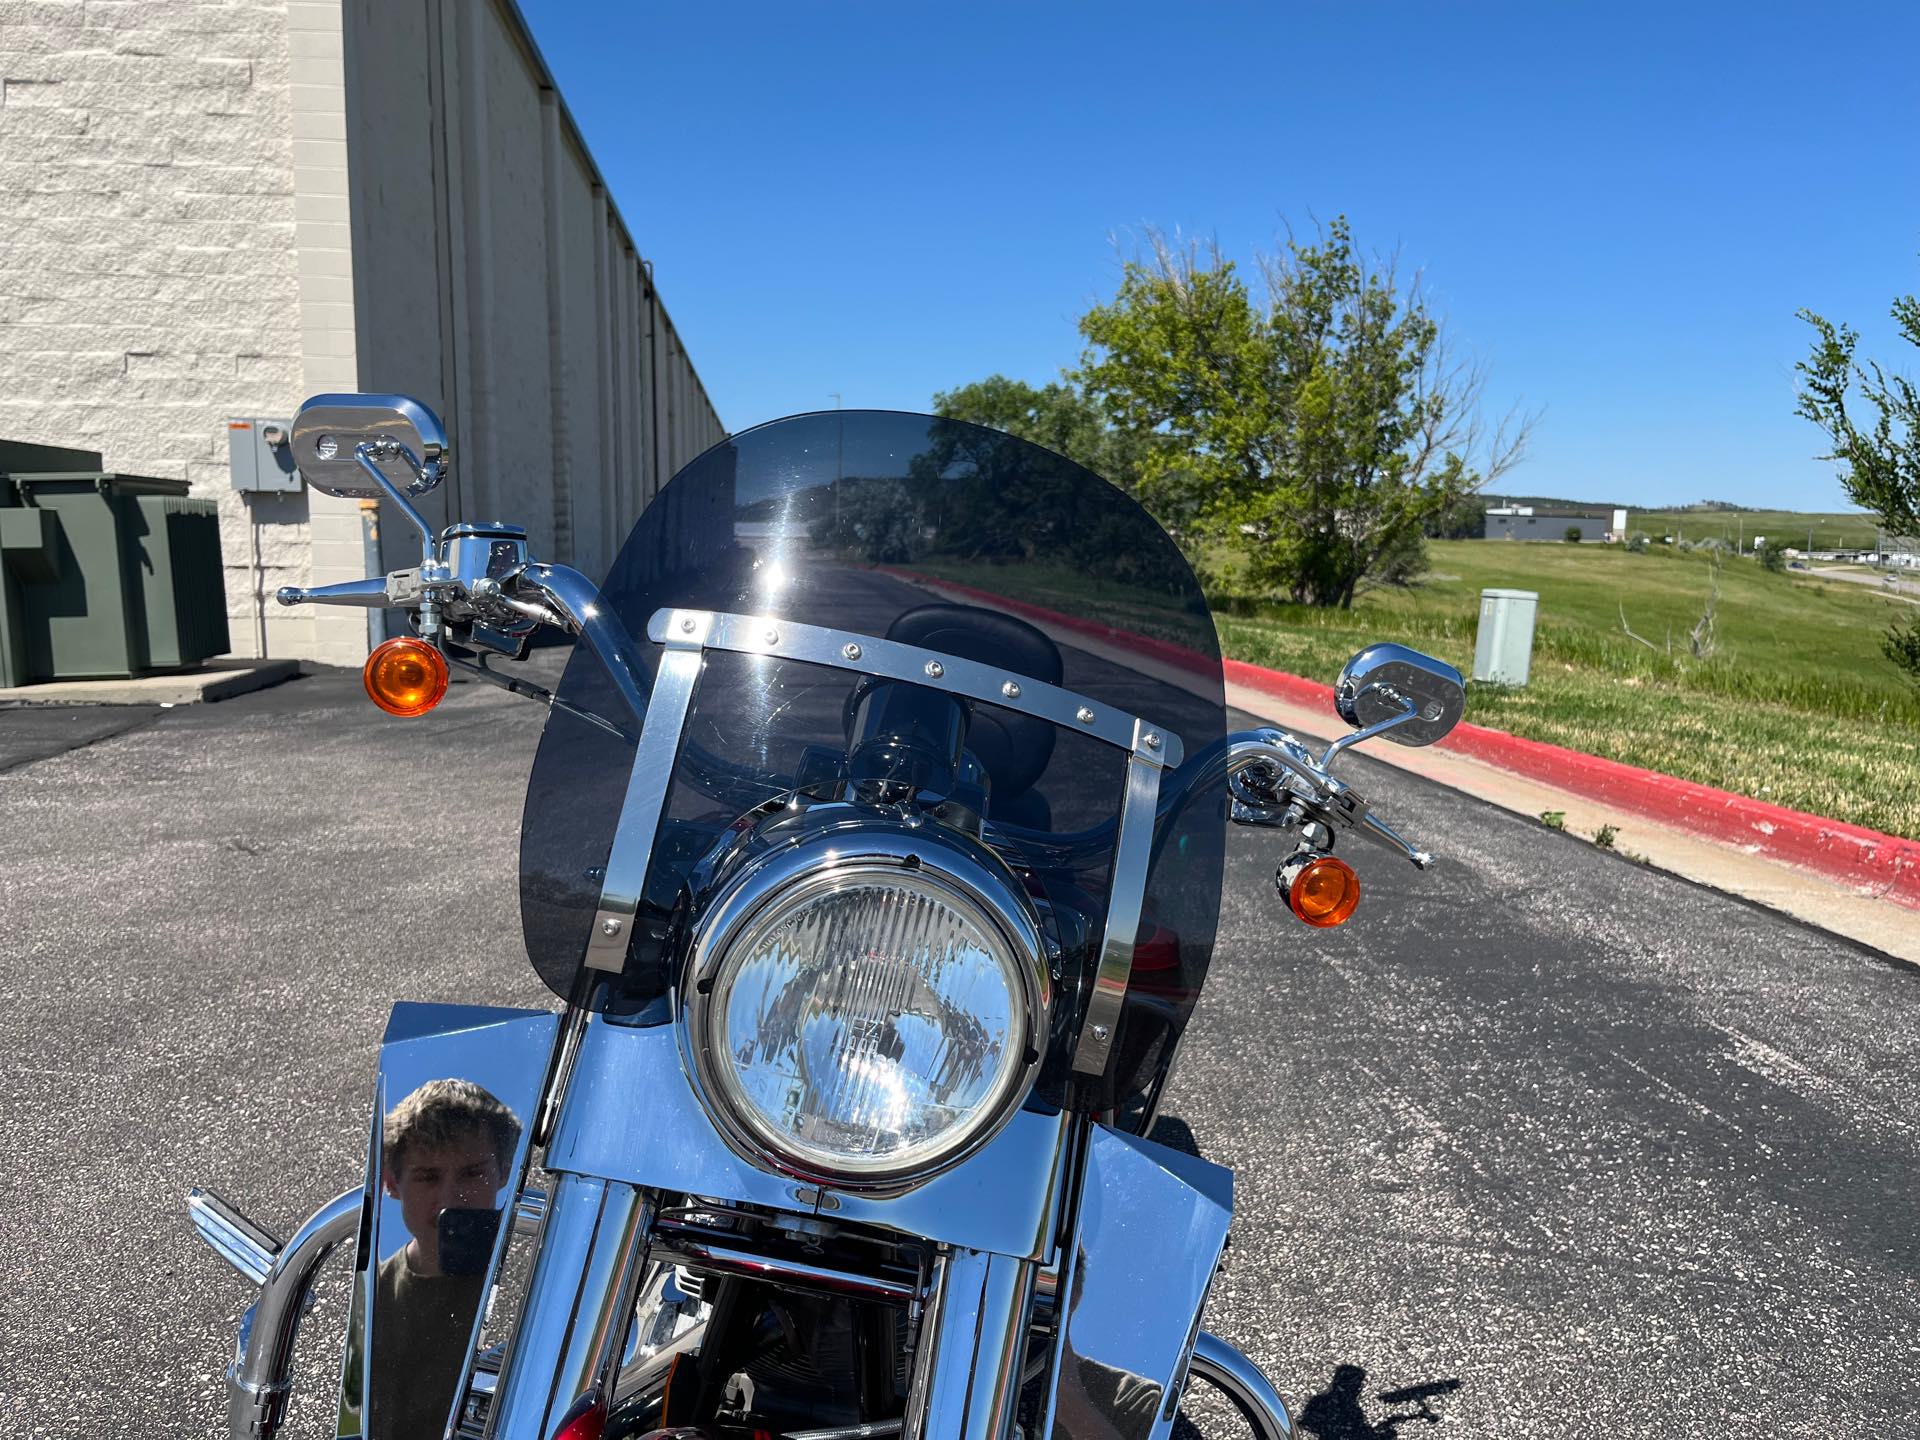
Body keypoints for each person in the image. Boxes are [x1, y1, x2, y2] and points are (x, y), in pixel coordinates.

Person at [369, 1078, 522, 1438]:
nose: (450, 1198)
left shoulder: (534, 1274)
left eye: (471, 1173)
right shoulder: (375, 1292)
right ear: (392, 1182)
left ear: (502, 1171)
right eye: (427, 1177)